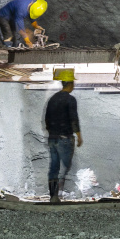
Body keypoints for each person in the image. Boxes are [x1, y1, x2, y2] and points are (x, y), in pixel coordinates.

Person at [44, 69, 82, 203]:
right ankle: (56, 195)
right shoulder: (70, 99)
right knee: (64, 166)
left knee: (54, 166)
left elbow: (47, 119)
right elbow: (74, 118)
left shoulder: (52, 99)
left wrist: (52, 133)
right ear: (71, 84)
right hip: (64, 138)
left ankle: (53, 196)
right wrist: (79, 135)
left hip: (52, 138)